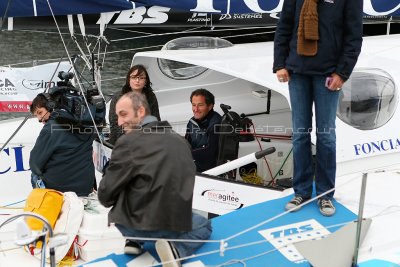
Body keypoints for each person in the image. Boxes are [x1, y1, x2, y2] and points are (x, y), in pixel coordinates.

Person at [98, 92, 212, 267]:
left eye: (123, 114)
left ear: (141, 111)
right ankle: (177, 249)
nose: (120, 122)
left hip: (132, 224)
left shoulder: (128, 142)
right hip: (173, 222)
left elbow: (105, 196)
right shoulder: (181, 142)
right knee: (204, 225)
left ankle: (135, 240)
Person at [273, 0, 363, 216]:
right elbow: (284, 26)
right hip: (297, 73)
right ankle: (301, 192)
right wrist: (280, 64)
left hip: (329, 74)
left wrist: (342, 73)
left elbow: (353, 36)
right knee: (300, 135)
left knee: (326, 137)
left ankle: (325, 195)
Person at [29, 93, 96, 196]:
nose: (40, 119)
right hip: (86, 187)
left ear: (51, 106)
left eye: (40, 112)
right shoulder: (87, 122)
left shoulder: (50, 128)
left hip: (59, 190)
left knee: (34, 175)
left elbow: (35, 164)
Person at [108, 64, 161, 145]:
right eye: (133, 77)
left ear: (146, 81)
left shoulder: (151, 96)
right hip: (120, 142)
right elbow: (114, 124)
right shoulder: (118, 97)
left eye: (141, 78)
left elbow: (155, 120)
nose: (137, 80)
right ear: (128, 80)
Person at [185, 89, 222, 172]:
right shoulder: (192, 122)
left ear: (210, 106)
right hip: (194, 163)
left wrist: (184, 154)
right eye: (194, 105)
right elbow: (186, 143)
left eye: (200, 105)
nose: (196, 109)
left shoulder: (216, 124)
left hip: (209, 170)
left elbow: (210, 151)